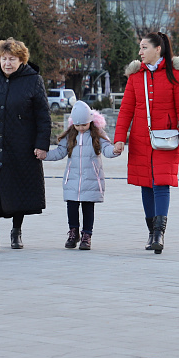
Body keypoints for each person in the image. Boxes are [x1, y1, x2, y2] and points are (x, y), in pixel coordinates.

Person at [113, 32, 179, 254]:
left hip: (166, 139)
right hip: (140, 139)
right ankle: (151, 231)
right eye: (140, 48)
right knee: (146, 183)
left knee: (161, 183)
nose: (140, 52)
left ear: (158, 49)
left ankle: (159, 233)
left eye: (144, 47)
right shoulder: (135, 76)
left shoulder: (176, 75)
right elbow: (126, 109)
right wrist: (120, 139)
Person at [0, 38, 51, 251]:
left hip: (21, 146)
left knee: (18, 189)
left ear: (21, 60)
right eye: (4, 59)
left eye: (12, 59)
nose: (7, 63)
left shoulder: (33, 80)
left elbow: (43, 116)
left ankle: (16, 232)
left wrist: (41, 144)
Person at [45, 101, 119, 250]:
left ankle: (87, 235)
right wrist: (44, 155)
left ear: (90, 121)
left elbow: (107, 149)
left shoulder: (97, 134)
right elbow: (59, 152)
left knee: (88, 207)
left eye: (84, 125)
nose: (81, 128)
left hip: (91, 179)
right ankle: (73, 233)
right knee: (71, 207)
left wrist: (115, 151)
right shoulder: (70, 135)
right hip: (72, 179)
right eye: (77, 126)